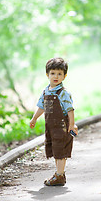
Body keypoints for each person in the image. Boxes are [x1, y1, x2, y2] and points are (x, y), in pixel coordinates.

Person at [30, 57, 78, 186]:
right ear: (47, 75)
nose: (55, 76)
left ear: (64, 76)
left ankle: (60, 175)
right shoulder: (46, 91)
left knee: (61, 150)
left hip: (62, 127)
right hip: (51, 127)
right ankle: (58, 173)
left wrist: (72, 125)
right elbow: (41, 107)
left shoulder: (63, 93)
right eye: (52, 73)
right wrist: (34, 118)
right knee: (55, 150)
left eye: (59, 74)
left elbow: (70, 109)